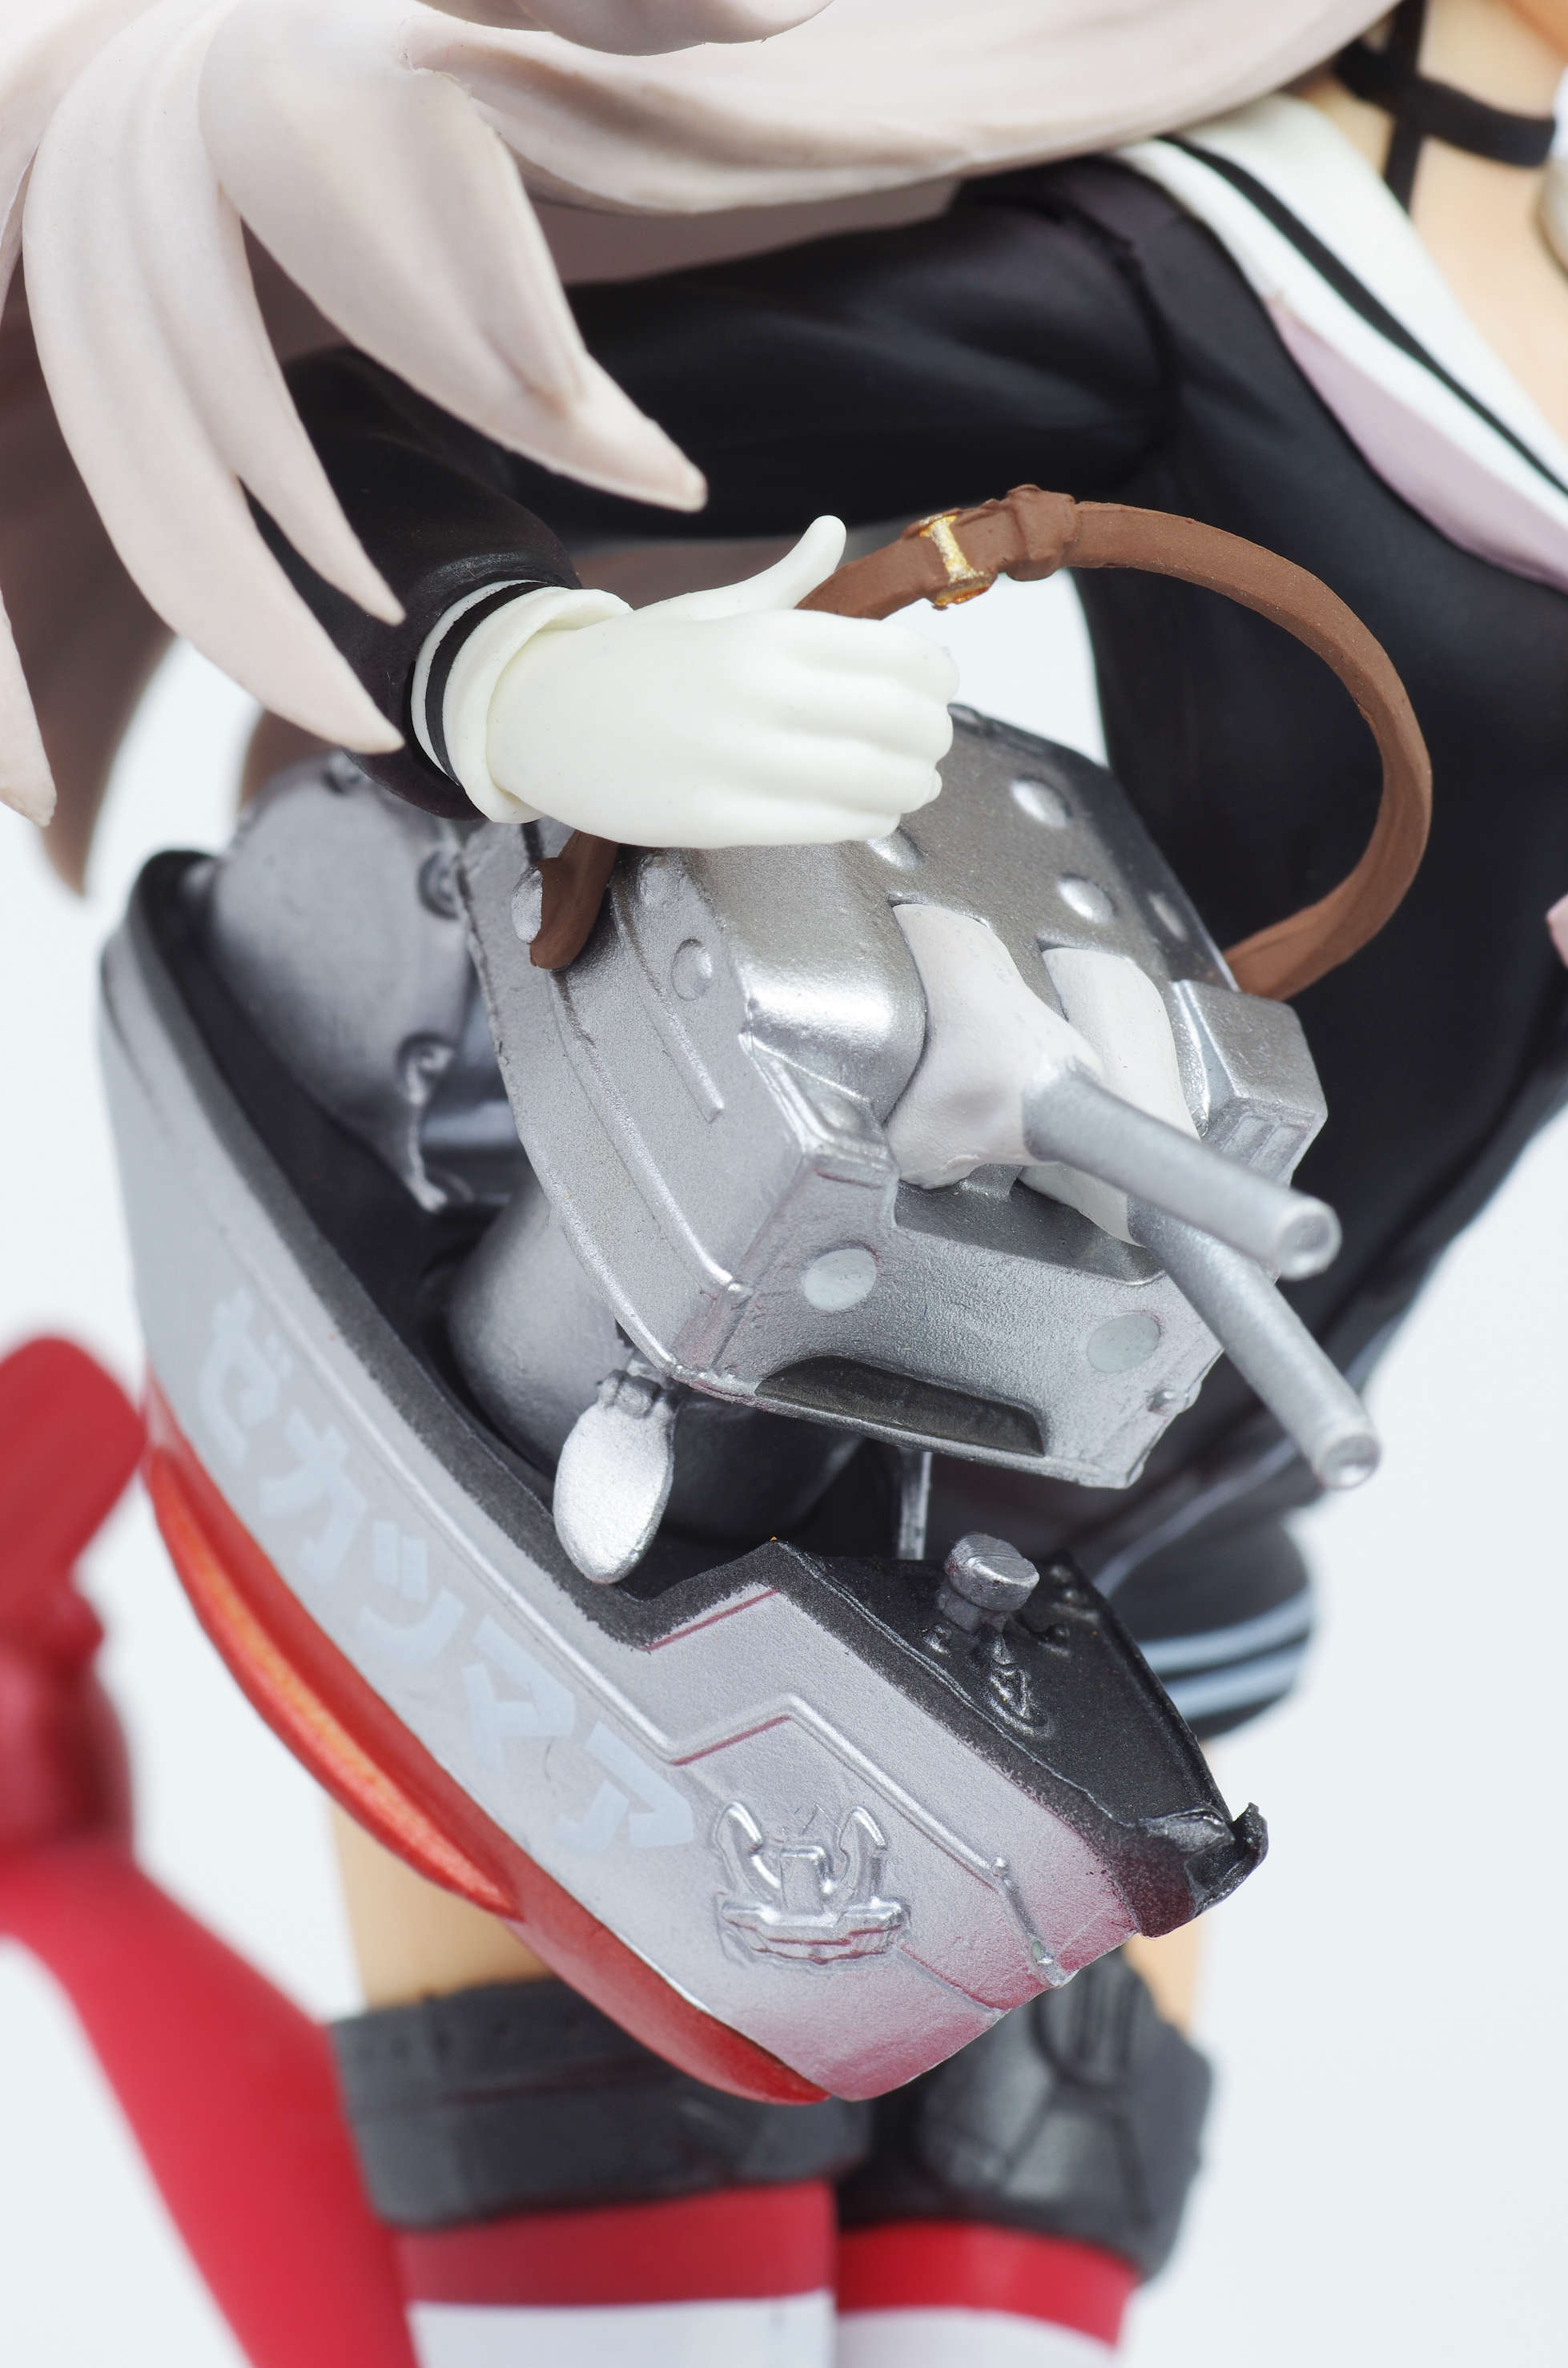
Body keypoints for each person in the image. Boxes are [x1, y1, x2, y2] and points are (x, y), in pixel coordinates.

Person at [3, 2, 1566, 2362]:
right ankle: (49, 1853)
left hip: (1148, 1505)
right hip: (719, 1429)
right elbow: (364, 418)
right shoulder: (1222, 264)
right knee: (624, 2313)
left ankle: (37, 1828)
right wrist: (520, 671)